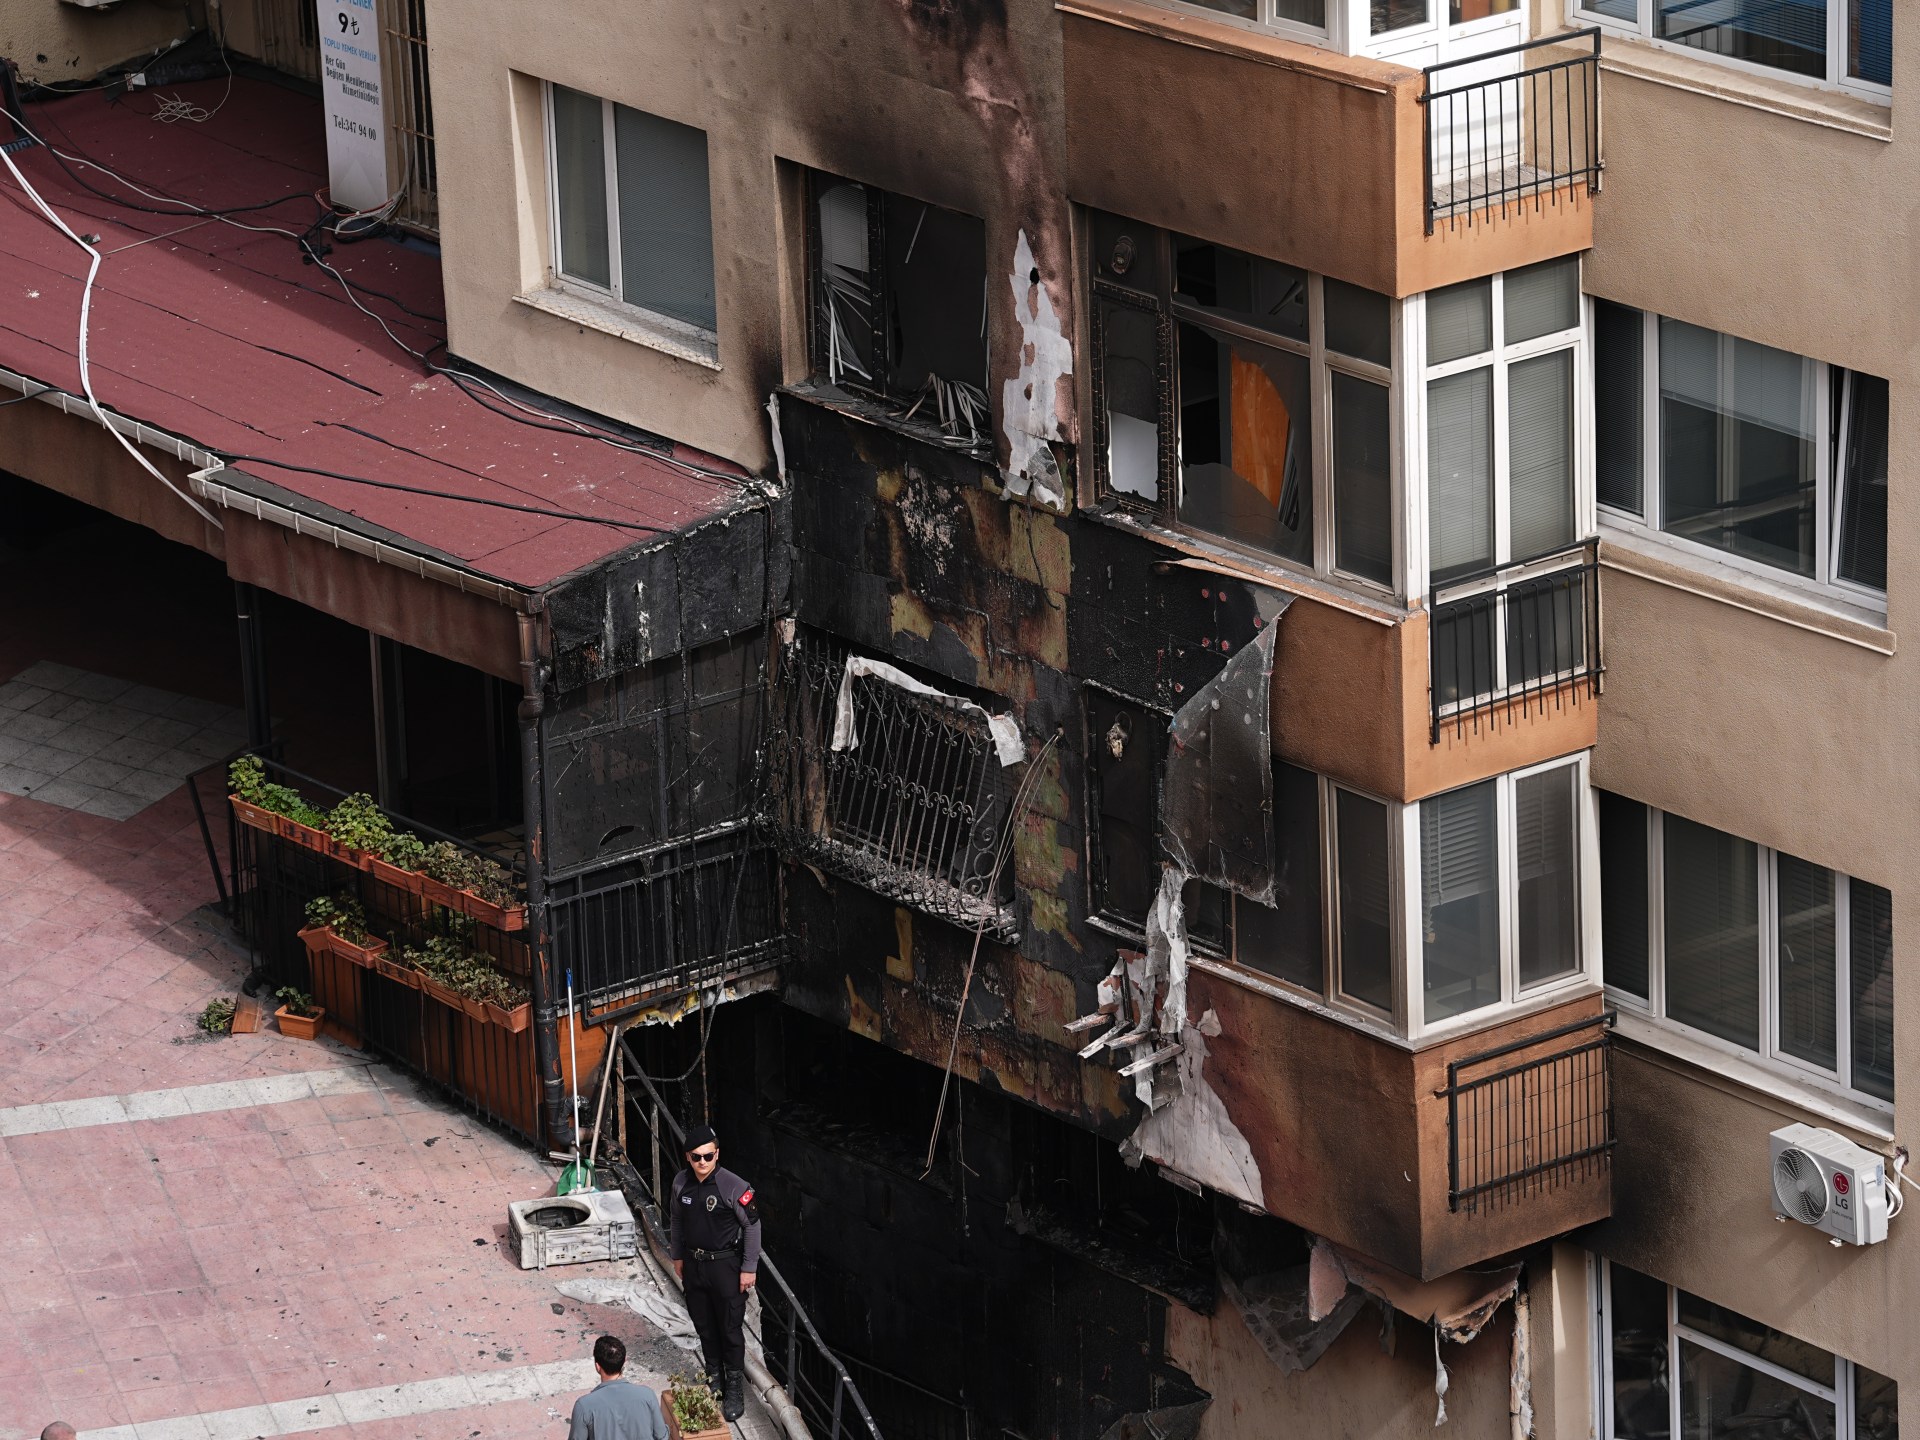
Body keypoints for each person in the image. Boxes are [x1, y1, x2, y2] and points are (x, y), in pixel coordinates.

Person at [669, 1123, 760, 1423]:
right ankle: (714, 1378)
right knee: (704, 1324)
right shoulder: (681, 1183)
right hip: (694, 1265)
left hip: (725, 1267)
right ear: (688, 1157)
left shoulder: (734, 1185)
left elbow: (752, 1226)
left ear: (717, 1154)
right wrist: (677, 1255)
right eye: (696, 1157)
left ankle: (734, 1387)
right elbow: (677, 1220)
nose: (703, 1162)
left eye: (708, 1156)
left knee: (730, 1329)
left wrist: (748, 1268)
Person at [568, 1335, 667, 1440]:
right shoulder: (647, 1395)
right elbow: (662, 1435)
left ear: (598, 1366)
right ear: (624, 1361)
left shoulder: (584, 1406)